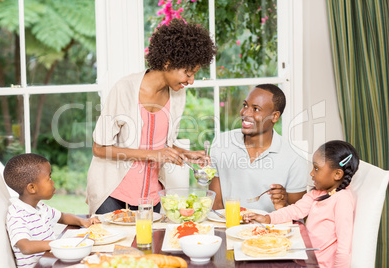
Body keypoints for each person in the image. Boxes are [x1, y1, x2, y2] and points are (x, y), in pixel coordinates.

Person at [87, 19, 217, 215]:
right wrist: (155, 155)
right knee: (114, 246)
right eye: (188, 73)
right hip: (112, 193)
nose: (191, 81)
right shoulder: (125, 89)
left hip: (151, 195)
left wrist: (187, 154)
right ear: (168, 63)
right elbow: (99, 148)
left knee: (152, 245)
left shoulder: (177, 94)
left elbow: (159, 144)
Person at [243, 140, 359, 268]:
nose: (311, 173)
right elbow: (295, 210)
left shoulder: (342, 200)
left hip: (316, 264)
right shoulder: (318, 193)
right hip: (303, 257)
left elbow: (344, 248)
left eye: (316, 168)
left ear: (337, 174)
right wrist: (267, 218)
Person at [209, 84, 308, 212]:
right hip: (228, 225)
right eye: (245, 105)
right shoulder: (221, 142)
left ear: (275, 116)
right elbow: (216, 203)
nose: (245, 113)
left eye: (256, 109)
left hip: (270, 230)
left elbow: (299, 214)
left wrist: (284, 202)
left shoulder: (294, 158)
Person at [4, 153, 99, 268]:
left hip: (50, 260)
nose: (53, 182)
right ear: (32, 188)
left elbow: (63, 217)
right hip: (39, 265)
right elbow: (26, 247)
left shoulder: (41, 207)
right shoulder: (17, 214)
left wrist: (83, 221)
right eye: (49, 178)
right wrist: (60, 244)